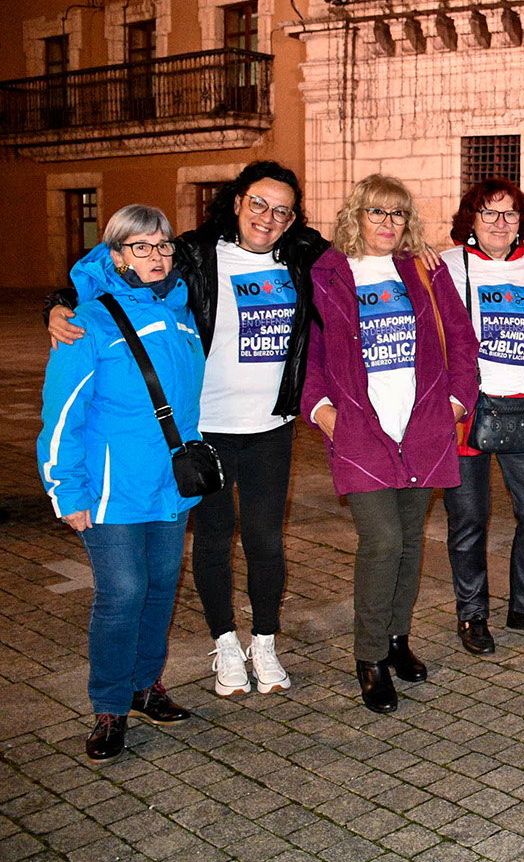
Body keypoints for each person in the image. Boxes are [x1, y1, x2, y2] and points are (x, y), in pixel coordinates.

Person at [47, 162, 328, 700]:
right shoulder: (193, 253)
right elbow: (108, 261)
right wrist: (55, 306)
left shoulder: (300, 256)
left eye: (282, 210)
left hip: (271, 426)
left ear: (293, 219)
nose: (268, 217)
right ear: (237, 201)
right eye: (258, 204)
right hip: (206, 431)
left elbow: (361, 256)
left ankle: (264, 643)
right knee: (213, 542)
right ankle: (224, 644)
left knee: (267, 541)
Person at [302, 175, 479, 713]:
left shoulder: (425, 270)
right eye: (376, 213)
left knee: (407, 542)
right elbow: (305, 351)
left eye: (396, 215)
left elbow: (462, 339)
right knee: (380, 542)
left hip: (423, 426)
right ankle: (370, 657)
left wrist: (456, 403)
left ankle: (399, 640)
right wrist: (321, 411)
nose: (386, 224)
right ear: (355, 215)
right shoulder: (326, 274)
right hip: (362, 429)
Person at [39, 205, 205, 762]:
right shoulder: (88, 321)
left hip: (169, 488)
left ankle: (144, 686)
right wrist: (67, 491)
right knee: (123, 593)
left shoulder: (182, 315)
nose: (157, 256)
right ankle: (108, 706)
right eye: (142, 247)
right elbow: (62, 415)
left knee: (161, 588)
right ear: (115, 255)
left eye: (163, 246)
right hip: (110, 491)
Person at [439, 178, 524, 654]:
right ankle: (472, 615)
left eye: (509, 214)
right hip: (465, 412)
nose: (499, 223)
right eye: (489, 213)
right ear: (470, 220)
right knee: (468, 519)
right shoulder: (448, 266)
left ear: (521, 222)